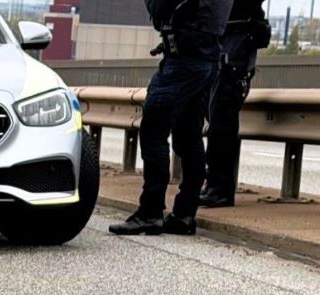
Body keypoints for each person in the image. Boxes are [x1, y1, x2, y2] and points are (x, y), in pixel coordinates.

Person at [110, 0, 235, 237]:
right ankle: (184, 214)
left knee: (153, 131)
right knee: (189, 135)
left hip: (185, 58)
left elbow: (161, 9)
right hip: (207, 57)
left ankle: (150, 212)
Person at [200, 0, 272, 208]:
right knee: (216, 113)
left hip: (239, 34)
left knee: (222, 112)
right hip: (223, 34)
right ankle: (214, 185)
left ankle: (219, 188)